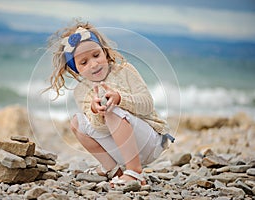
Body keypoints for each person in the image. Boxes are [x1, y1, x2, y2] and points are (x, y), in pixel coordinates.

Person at [46, 20, 174, 185]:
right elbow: (99, 129)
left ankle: (135, 172)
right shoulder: (81, 91)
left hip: (149, 142)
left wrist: (120, 99)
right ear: (76, 69)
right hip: (121, 149)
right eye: (84, 62)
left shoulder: (124, 70)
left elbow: (147, 104)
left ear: (104, 52)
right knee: (77, 122)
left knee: (111, 108)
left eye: (96, 55)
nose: (93, 64)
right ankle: (113, 169)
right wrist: (94, 110)